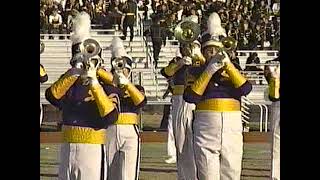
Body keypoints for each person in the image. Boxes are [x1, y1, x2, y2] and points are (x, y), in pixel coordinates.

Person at [45, 12, 118, 180]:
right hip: (67, 147)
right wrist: (75, 71)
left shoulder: (106, 85)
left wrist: (94, 83)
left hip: (92, 149)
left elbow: (111, 116)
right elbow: (52, 96)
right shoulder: (70, 82)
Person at [183, 12, 252, 180]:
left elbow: (245, 89)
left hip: (232, 127)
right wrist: (209, 70)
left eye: (216, 50)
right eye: (209, 50)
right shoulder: (195, 70)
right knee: (207, 175)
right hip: (205, 127)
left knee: (232, 173)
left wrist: (228, 66)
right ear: (203, 51)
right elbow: (191, 97)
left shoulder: (233, 69)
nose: (213, 53)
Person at [106, 37, 147, 180]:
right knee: (108, 172)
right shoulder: (105, 88)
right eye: (118, 67)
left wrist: (127, 84)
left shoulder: (137, 88)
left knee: (128, 174)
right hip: (109, 129)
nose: (121, 71)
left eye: (125, 69)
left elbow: (141, 102)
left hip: (130, 129)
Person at [160, 46, 198, 180]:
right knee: (180, 140)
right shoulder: (176, 61)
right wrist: (180, 63)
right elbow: (165, 73)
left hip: (195, 100)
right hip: (179, 99)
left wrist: (196, 59)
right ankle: (183, 176)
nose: (187, 48)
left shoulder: (199, 60)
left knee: (196, 140)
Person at [264, 54, 280, 180]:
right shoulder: (271, 64)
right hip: (278, 102)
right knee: (276, 141)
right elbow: (272, 90)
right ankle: (275, 176)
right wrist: (272, 76)